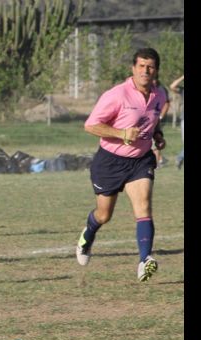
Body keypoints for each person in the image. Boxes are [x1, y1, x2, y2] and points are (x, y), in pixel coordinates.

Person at [75, 48, 167, 282]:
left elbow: (152, 120)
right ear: (133, 68)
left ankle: (144, 260)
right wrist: (121, 132)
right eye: (141, 66)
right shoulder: (117, 95)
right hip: (110, 161)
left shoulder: (160, 95)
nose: (146, 71)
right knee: (104, 215)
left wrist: (157, 135)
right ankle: (89, 233)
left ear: (156, 69)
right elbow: (91, 125)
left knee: (143, 205)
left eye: (151, 67)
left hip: (141, 160)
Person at [151, 77, 170, 167]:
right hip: (152, 118)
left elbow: (167, 103)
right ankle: (161, 159)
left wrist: (161, 116)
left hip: (158, 119)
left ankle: (158, 162)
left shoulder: (160, 89)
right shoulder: (150, 88)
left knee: (156, 140)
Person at [169, 75, 185, 169]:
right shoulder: (182, 90)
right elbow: (172, 86)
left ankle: (179, 157)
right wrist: (182, 77)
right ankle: (179, 157)